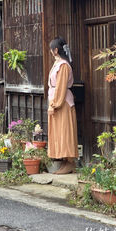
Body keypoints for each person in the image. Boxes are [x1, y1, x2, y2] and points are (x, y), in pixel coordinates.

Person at [47, 37, 78, 175]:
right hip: (56, 99)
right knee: (59, 131)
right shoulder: (58, 63)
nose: (50, 51)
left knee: (65, 131)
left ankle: (70, 162)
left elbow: (61, 87)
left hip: (62, 102)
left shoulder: (63, 65)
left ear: (55, 50)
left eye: (51, 49)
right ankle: (65, 160)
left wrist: (54, 104)